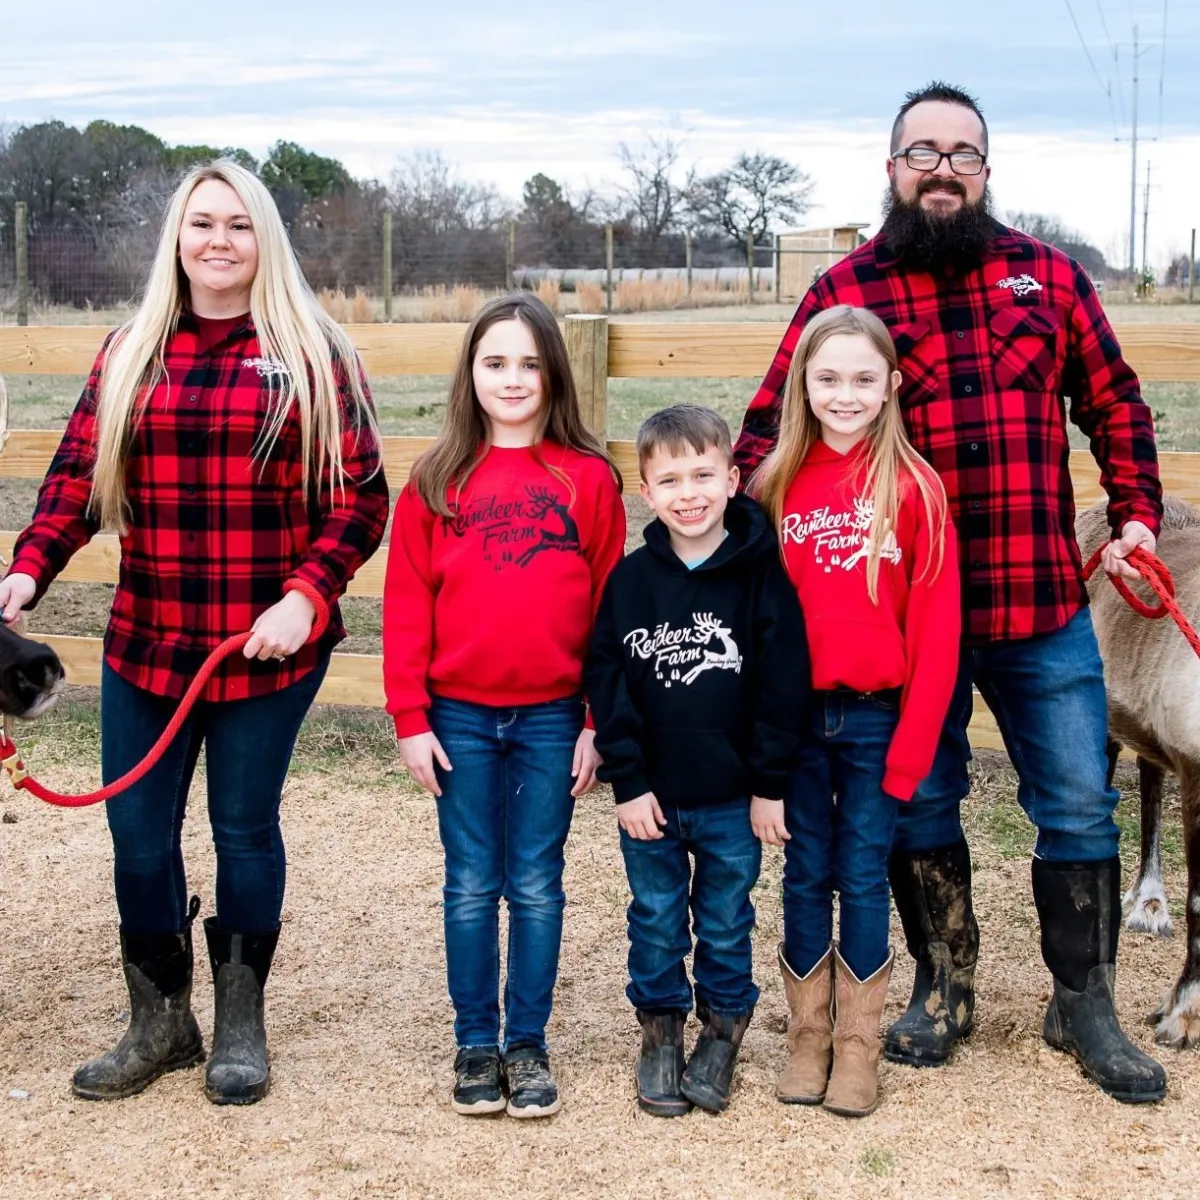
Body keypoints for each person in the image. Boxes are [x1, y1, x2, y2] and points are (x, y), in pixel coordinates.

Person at [734, 81, 1167, 1104]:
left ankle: (1086, 1001)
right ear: (891, 169)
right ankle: (943, 983)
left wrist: (1135, 506)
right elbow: (769, 432)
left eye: (962, 153)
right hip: (897, 625)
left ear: (985, 170)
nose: (942, 167)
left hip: (1038, 601)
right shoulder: (847, 292)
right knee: (921, 799)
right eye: (921, 151)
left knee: (1075, 801)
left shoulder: (1048, 277)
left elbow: (1114, 399)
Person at [0, 161, 389, 1105]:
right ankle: (160, 1021)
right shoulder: (130, 348)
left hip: (267, 646)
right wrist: (25, 571)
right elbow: (72, 485)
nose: (219, 241)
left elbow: (361, 498)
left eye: (239, 225)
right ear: (176, 238)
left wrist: (306, 594)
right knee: (138, 837)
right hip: (150, 644)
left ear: (265, 240)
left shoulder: (313, 351)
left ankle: (241, 1025)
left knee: (243, 829)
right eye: (201, 224)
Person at [382, 293, 625, 1119]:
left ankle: (528, 1042)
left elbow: (607, 612)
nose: (512, 378)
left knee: (537, 882)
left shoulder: (587, 480)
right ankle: (475, 1042)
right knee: (471, 880)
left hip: (556, 715)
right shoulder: (435, 480)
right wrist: (409, 718)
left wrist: (597, 720)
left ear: (552, 373)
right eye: (495, 362)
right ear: (471, 373)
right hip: (457, 718)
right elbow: (407, 606)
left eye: (528, 363)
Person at [751, 306, 959, 1116]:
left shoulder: (915, 488)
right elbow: (752, 628)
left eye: (863, 379)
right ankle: (807, 1036)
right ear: (803, 383)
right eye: (828, 377)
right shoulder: (772, 486)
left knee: (864, 875)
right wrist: (755, 750)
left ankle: (858, 1045)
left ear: (891, 387)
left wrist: (913, 753)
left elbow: (937, 635)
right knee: (804, 874)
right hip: (793, 725)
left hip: (877, 723)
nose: (845, 393)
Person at [585, 404, 808, 1117]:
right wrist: (627, 780)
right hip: (650, 797)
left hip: (732, 799)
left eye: (704, 475)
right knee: (654, 917)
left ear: (734, 478)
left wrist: (770, 786)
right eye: (670, 479)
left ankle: (722, 1029)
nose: (689, 493)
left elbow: (782, 686)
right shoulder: (630, 584)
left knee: (723, 918)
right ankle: (659, 1030)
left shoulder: (761, 577)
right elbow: (608, 684)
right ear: (645, 492)